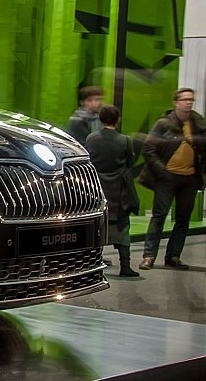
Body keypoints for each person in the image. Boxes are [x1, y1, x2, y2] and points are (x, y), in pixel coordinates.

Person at [138, 87, 206, 270]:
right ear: (176, 102)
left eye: (191, 99)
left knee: (183, 219)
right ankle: (149, 256)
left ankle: (173, 256)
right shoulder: (164, 124)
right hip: (167, 177)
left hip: (190, 178)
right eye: (184, 99)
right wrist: (162, 172)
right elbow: (148, 149)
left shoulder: (198, 123)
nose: (188, 102)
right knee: (159, 216)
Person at [85, 105, 140, 277]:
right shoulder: (125, 141)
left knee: (96, 227)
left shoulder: (91, 139)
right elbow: (130, 164)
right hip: (119, 191)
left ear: (101, 119)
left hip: (97, 189)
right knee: (122, 228)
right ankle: (125, 266)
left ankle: (92, 264)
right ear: (118, 119)